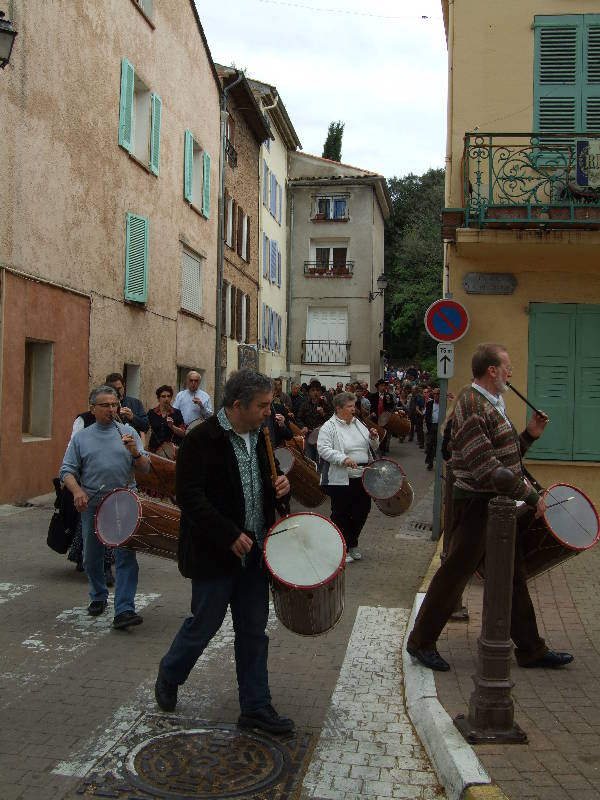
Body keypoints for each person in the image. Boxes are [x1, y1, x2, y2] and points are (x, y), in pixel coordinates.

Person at [406, 343, 573, 672]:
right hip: (477, 506)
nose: (511, 372)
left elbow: (504, 458)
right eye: (506, 366)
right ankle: (421, 642)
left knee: (512, 576)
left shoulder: (491, 403)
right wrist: (532, 496)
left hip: (495, 505)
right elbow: (485, 467)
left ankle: (531, 649)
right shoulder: (472, 403)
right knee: (454, 574)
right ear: (492, 371)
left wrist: (529, 436)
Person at [154, 370, 294, 734]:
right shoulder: (202, 439)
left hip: (255, 554)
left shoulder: (262, 435)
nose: (268, 411)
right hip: (215, 554)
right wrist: (229, 534)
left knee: (253, 631)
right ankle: (170, 672)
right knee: (204, 625)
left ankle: (255, 706)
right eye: (262, 405)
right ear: (237, 405)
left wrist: (281, 485)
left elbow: (268, 484)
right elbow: (189, 497)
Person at [59, 385, 150, 628]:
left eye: (114, 405)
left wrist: (135, 453)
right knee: (91, 557)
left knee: (125, 557)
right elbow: (66, 470)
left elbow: (145, 467)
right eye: (105, 405)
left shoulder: (128, 431)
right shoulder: (82, 438)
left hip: (124, 501)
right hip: (93, 503)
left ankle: (124, 610)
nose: (111, 409)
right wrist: (77, 491)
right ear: (93, 409)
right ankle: (99, 595)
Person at [317, 392, 379, 563]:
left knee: (362, 511)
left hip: (362, 476)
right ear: (339, 408)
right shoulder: (329, 426)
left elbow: (371, 446)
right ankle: (342, 547)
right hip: (340, 479)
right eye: (350, 406)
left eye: (354, 406)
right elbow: (323, 449)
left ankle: (352, 542)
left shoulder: (358, 424)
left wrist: (374, 438)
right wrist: (343, 459)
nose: (354, 409)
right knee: (341, 514)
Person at [296, 379, 333, 462]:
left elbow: (332, 420)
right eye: (313, 390)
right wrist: (303, 426)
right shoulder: (304, 404)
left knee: (321, 461)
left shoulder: (326, 404)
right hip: (309, 436)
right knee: (309, 460)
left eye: (317, 390)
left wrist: (323, 413)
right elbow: (298, 418)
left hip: (323, 438)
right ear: (309, 392)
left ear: (321, 392)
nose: (315, 393)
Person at [147, 385, 186, 453]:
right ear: (158, 398)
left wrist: (172, 426)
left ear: (171, 398)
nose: (166, 399)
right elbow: (144, 429)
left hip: (171, 452)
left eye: (168, 396)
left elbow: (183, 433)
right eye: (163, 396)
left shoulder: (177, 413)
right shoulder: (152, 413)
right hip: (154, 450)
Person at [424, 387, 441, 470]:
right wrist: (429, 427)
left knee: (439, 445)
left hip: (440, 426)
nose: (436, 396)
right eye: (434, 394)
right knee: (430, 444)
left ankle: (440, 463)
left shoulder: (444, 403)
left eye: (437, 394)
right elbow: (427, 416)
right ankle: (430, 462)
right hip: (432, 426)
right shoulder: (430, 403)